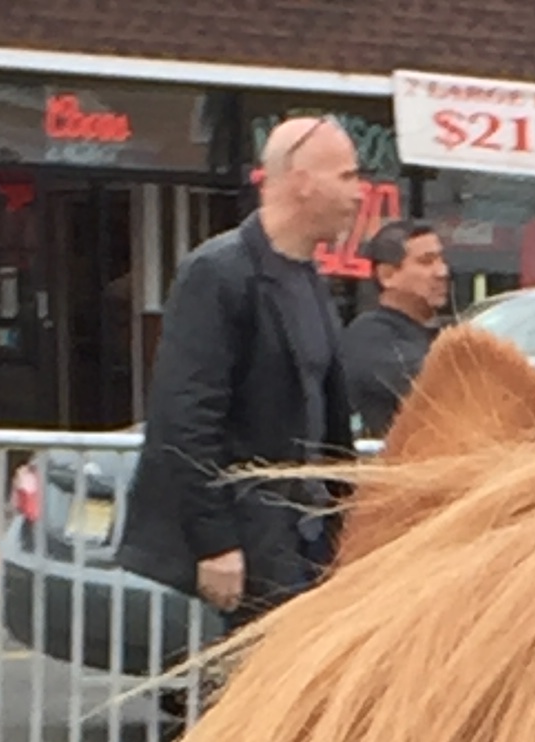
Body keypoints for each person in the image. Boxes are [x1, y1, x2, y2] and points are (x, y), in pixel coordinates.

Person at [120, 116, 363, 624]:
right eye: (346, 176)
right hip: (250, 540)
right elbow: (184, 417)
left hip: (307, 536)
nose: (359, 193)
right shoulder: (218, 272)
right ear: (301, 181)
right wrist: (216, 543)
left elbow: (325, 416)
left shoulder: (310, 279)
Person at [341, 219, 450, 441]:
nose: (442, 272)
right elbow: (441, 390)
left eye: (441, 259)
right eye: (426, 262)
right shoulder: (371, 335)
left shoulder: (437, 334)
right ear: (387, 275)